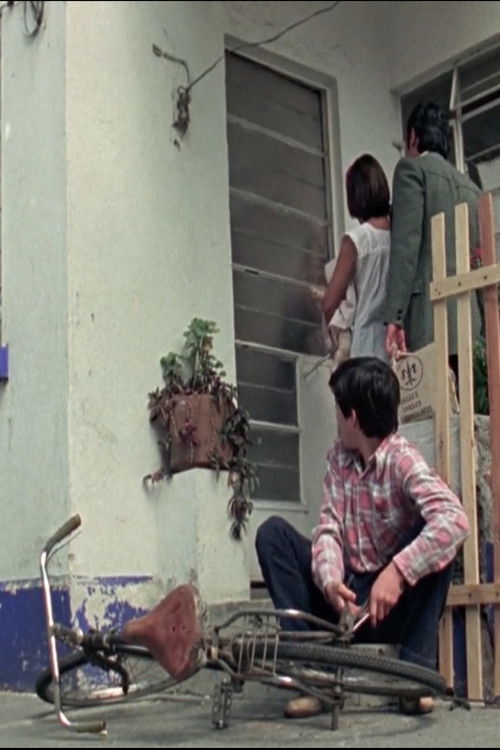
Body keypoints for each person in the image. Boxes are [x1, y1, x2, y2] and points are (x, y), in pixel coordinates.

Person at [255, 357, 469, 718]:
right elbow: (329, 527)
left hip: (388, 607)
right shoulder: (339, 458)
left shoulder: (403, 460)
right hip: (345, 605)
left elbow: (456, 519)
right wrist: (330, 582)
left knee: (437, 537)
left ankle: (412, 679)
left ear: (352, 417)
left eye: (338, 411)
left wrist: (398, 572)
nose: (336, 420)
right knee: (272, 534)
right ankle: (315, 678)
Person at [384, 102, 482, 370]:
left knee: (431, 394)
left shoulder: (411, 170)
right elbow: (478, 258)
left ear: (413, 137)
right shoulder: (472, 189)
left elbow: (406, 246)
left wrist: (395, 316)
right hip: (469, 323)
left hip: (427, 319)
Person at [322, 154, 391, 364]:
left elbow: (330, 303)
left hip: (365, 347)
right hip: (397, 346)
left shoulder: (356, 240)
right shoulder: (399, 236)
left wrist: (336, 337)